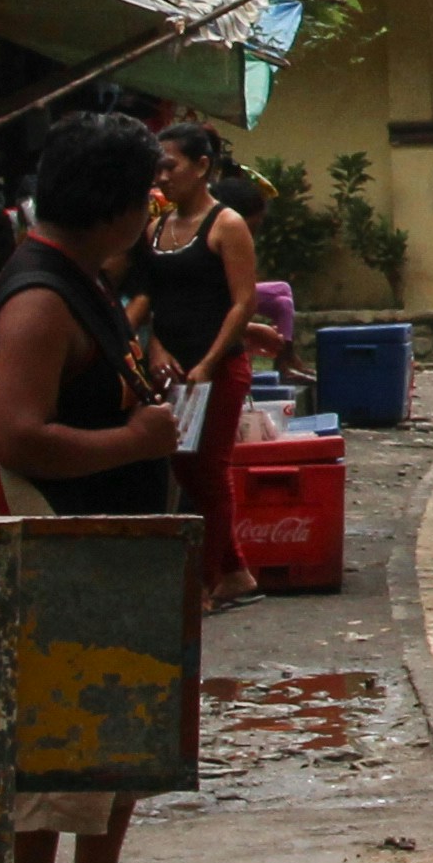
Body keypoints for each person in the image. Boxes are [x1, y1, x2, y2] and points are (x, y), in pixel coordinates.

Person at [0, 114, 186, 863]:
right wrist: (133, 442)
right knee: (54, 737)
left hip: (111, 542)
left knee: (116, 722)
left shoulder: (83, 280)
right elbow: (19, 434)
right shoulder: (39, 297)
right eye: (146, 198)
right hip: (63, 545)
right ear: (115, 206)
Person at [133, 123, 276, 606]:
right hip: (174, 372)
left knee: (209, 473)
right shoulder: (157, 228)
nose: (162, 176)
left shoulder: (226, 224)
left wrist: (210, 362)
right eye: (158, 167)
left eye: (170, 166)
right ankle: (236, 573)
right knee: (186, 469)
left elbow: (243, 302)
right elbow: (154, 300)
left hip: (217, 370)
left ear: (201, 167)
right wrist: (154, 349)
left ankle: (206, 582)